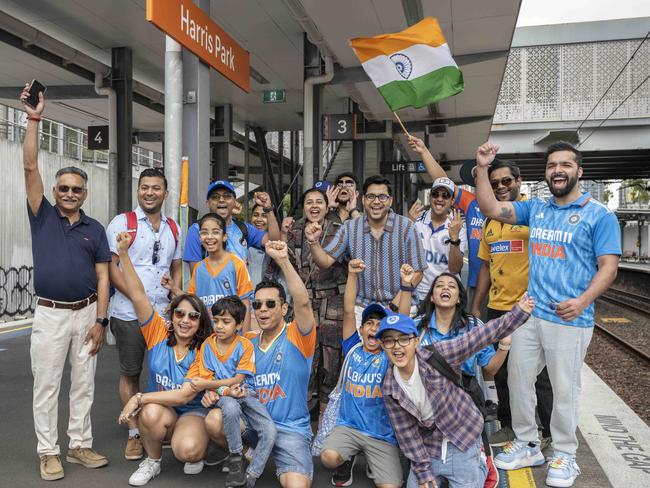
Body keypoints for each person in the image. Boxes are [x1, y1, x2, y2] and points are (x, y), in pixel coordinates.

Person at [474, 141, 621, 487]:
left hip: (570, 319)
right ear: (547, 172)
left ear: (579, 171)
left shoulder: (599, 215)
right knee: (519, 380)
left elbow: (609, 267)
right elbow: (492, 207)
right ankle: (527, 443)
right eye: (552, 165)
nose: (558, 170)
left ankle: (566, 455)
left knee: (564, 389)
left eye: (566, 165)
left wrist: (583, 300)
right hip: (531, 314)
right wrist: (481, 168)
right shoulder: (537, 209)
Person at [20, 83, 111, 481]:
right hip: (51, 315)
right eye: (64, 188)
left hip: (87, 312)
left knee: (84, 385)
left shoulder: (96, 228)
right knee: (47, 386)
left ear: (84, 192)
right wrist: (35, 118)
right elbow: (29, 167)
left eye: (76, 189)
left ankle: (77, 445)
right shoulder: (42, 214)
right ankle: (47, 451)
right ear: (54, 192)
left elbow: (104, 276)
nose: (70, 193)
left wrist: (101, 321)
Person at [378, 294, 536, 488]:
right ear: (383, 346)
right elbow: (406, 432)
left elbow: (478, 337)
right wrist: (423, 471)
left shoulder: (437, 355)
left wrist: (518, 313)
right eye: (389, 341)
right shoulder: (389, 386)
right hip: (431, 445)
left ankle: (481, 463)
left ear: (416, 341)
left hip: (464, 435)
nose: (397, 347)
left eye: (403, 339)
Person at [114, 231, 214, 486]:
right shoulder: (158, 332)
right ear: (171, 315)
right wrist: (124, 255)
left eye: (193, 316)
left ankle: (195, 439)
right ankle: (153, 462)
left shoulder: (206, 349)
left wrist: (138, 398)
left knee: (188, 451)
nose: (185, 320)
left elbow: (183, 396)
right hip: (163, 411)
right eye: (180, 314)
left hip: (192, 410)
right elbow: (137, 295)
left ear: (200, 322)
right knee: (149, 416)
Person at [470, 160, 553, 453]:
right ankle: (509, 426)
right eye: (495, 184)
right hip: (499, 308)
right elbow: (484, 267)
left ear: (519, 181)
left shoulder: (536, 215)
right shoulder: (491, 221)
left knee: (539, 375)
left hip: (532, 308)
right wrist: (477, 305)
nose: (501, 188)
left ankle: (548, 431)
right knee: (502, 373)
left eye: (506, 181)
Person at [106, 167, 182, 460]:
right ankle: (135, 433)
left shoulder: (173, 227)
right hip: (128, 313)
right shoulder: (121, 222)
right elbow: (112, 266)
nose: (150, 192)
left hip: (164, 316)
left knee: (165, 372)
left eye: (156, 188)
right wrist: (137, 300)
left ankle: (159, 426)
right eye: (144, 187)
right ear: (138, 190)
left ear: (165, 192)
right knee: (131, 372)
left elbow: (175, 265)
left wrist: (174, 290)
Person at [320, 260, 412, 488]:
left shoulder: (390, 355)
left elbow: (404, 321)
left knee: (391, 486)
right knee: (328, 457)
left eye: (379, 325)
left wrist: (406, 286)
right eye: (369, 323)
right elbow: (349, 308)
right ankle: (347, 459)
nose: (373, 328)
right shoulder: (352, 347)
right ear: (361, 330)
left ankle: (373, 460)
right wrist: (352, 274)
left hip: (380, 434)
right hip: (348, 427)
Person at [244, 241, 316, 488]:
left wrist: (284, 261)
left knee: (297, 486)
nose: (262, 310)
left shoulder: (298, 335)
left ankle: (277, 455)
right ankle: (254, 448)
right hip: (256, 426)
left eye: (270, 304)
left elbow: (304, 303)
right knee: (215, 419)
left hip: (290, 430)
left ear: (284, 309)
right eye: (257, 305)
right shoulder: (248, 342)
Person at [184, 296, 277, 488]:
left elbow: (238, 380)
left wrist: (209, 386)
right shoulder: (207, 345)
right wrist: (218, 389)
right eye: (216, 320)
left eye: (226, 322)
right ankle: (236, 457)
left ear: (239, 324)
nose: (219, 326)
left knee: (270, 430)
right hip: (224, 395)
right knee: (231, 407)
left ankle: (251, 475)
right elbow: (206, 381)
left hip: (245, 393)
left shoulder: (245, 346)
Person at [307, 175, 425, 323]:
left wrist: (392, 306)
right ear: (363, 200)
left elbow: (418, 272)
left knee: (400, 345)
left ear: (390, 200)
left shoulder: (406, 227)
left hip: (402, 304)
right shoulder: (350, 227)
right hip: (363, 307)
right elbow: (324, 261)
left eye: (382, 197)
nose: (376, 201)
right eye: (370, 196)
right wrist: (314, 242)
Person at [281, 186, 348, 418]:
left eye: (319, 201)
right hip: (303, 304)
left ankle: (326, 415)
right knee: (303, 357)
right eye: (309, 202)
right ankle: (301, 414)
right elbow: (283, 263)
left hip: (333, 303)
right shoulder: (294, 231)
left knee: (331, 359)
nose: (314, 206)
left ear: (327, 205)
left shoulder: (340, 230)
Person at [408, 136, 485, 309]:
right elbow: (444, 182)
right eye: (476, 176)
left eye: (484, 173)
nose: (440, 199)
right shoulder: (471, 202)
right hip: (476, 282)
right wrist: (424, 151)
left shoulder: (513, 208)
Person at [183, 181, 280, 272]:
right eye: (215, 197)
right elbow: (196, 276)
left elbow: (274, 241)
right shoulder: (196, 230)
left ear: (234, 202)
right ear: (208, 203)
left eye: (227, 196)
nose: (221, 200)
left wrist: (268, 208)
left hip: (244, 289)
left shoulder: (244, 228)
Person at [179, 213, 253, 329]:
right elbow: (193, 303)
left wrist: (245, 338)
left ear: (224, 236)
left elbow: (245, 304)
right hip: (206, 337)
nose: (209, 237)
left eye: (215, 232)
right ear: (199, 238)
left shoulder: (237, 264)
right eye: (204, 232)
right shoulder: (198, 268)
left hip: (232, 337)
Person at [409, 177, 467, 302]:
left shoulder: (457, 225)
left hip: (446, 294)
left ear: (452, 201)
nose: (439, 199)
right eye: (435, 194)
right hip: (419, 293)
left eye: (445, 195)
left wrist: (454, 238)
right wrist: (408, 225)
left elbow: (455, 269)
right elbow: (404, 258)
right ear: (430, 197)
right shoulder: (415, 220)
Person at [248, 203, 271, 287]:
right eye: (255, 215)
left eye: (264, 216)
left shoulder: (278, 244)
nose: (259, 219)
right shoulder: (243, 242)